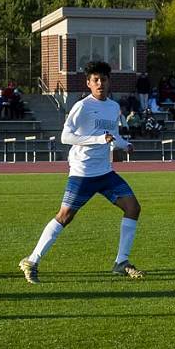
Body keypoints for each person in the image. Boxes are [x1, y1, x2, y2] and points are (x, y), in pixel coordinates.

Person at [18, 60, 144, 284]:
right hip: (83, 172)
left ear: (109, 82)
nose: (100, 84)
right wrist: (98, 139)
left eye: (103, 79)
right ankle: (32, 260)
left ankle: (121, 262)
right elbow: (65, 137)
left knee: (133, 207)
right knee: (65, 216)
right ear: (88, 83)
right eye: (95, 80)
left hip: (105, 173)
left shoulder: (113, 107)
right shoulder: (82, 107)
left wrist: (124, 145)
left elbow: (112, 135)